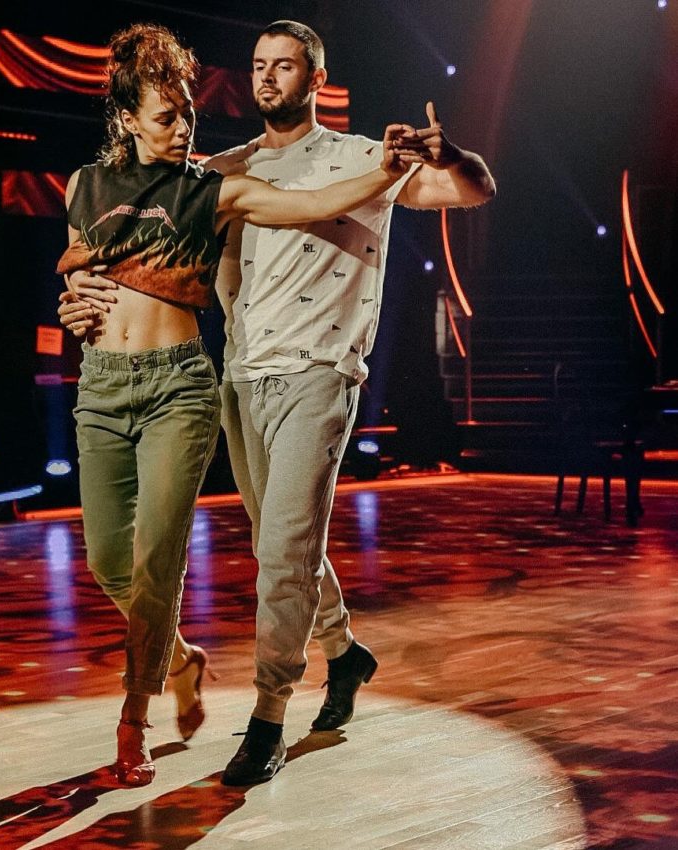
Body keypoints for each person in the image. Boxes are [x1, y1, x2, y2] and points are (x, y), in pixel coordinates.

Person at [61, 20, 495, 786]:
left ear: (316, 78)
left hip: (321, 370)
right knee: (278, 545)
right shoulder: (219, 170)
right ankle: (343, 651)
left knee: (285, 551)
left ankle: (268, 715)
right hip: (240, 375)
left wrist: (445, 154)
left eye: (285, 65)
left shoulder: (365, 156)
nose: (266, 77)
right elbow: (120, 245)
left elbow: (472, 189)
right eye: (259, 64)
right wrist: (77, 290)